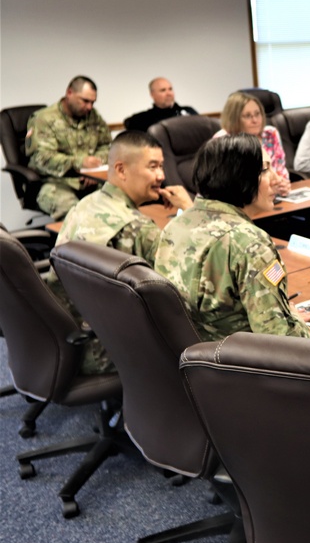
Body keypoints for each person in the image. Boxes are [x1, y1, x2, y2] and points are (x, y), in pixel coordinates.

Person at [48, 131, 193, 375]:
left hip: (66, 335)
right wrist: (189, 210)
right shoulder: (136, 227)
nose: (162, 176)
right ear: (121, 169)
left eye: (162, 166)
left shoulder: (85, 203)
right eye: (153, 167)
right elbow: (182, 285)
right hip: (104, 350)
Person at [154, 134, 310, 342]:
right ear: (240, 176)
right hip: (236, 366)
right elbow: (280, 341)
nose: (276, 179)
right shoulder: (250, 243)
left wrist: (280, 314)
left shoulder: (176, 226)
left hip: (190, 360)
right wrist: (292, 319)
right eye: (265, 170)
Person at [25, 75, 111, 220]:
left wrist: (94, 167)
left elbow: (107, 145)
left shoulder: (92, 116)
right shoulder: (44, 119)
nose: (89, 107)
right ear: (69, 93)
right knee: (77, 217)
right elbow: (42, 158)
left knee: (119, 203)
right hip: (55, 183)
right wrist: (80, 163)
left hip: (91, 181)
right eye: (85, 101)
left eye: (92, 102)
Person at [214, 91, 292, 196]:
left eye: (257, 114)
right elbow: (230, 184)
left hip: (272, 198)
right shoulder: (223, 140)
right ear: (234, 119)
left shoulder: (270, 134)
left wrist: (283, 184)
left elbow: (280, 169)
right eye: (247, 116)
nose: (255, 120)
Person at [123, 77, 198, 132]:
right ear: (152, 95)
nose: (168, 93)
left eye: (170, 89)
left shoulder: (188, 111)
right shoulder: (143, 119)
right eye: (163, 90)